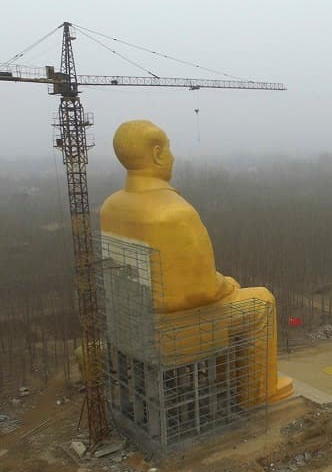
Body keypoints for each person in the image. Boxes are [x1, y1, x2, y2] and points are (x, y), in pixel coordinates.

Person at [100, 120, 293, 404]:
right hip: (171, 332)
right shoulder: (173, 212)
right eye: (168, 150)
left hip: (130, 324)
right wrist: (227, 285)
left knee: (233, 300)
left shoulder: (111, 207)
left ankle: (236, 384)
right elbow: (202, 291)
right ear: (156, 154)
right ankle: (258, 393)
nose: (173, 157)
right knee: (262, 302)